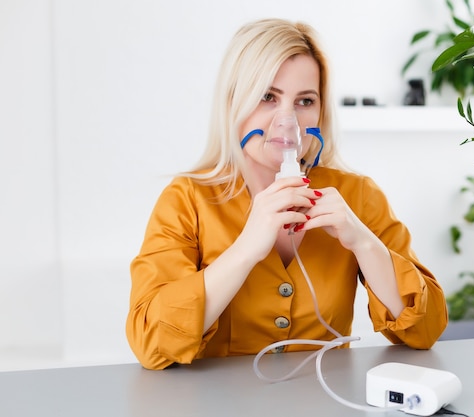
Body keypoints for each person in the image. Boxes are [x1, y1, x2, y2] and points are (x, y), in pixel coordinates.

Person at [126, 18, 448, 370]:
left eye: (305, 100)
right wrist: (245, 250)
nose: (287, 120)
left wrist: (364, 243)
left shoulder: (357, 196)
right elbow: (151, 343)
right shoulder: (187, 200)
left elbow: (426, 330)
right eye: (268, 97)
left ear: (321, 111)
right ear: (235, 102)